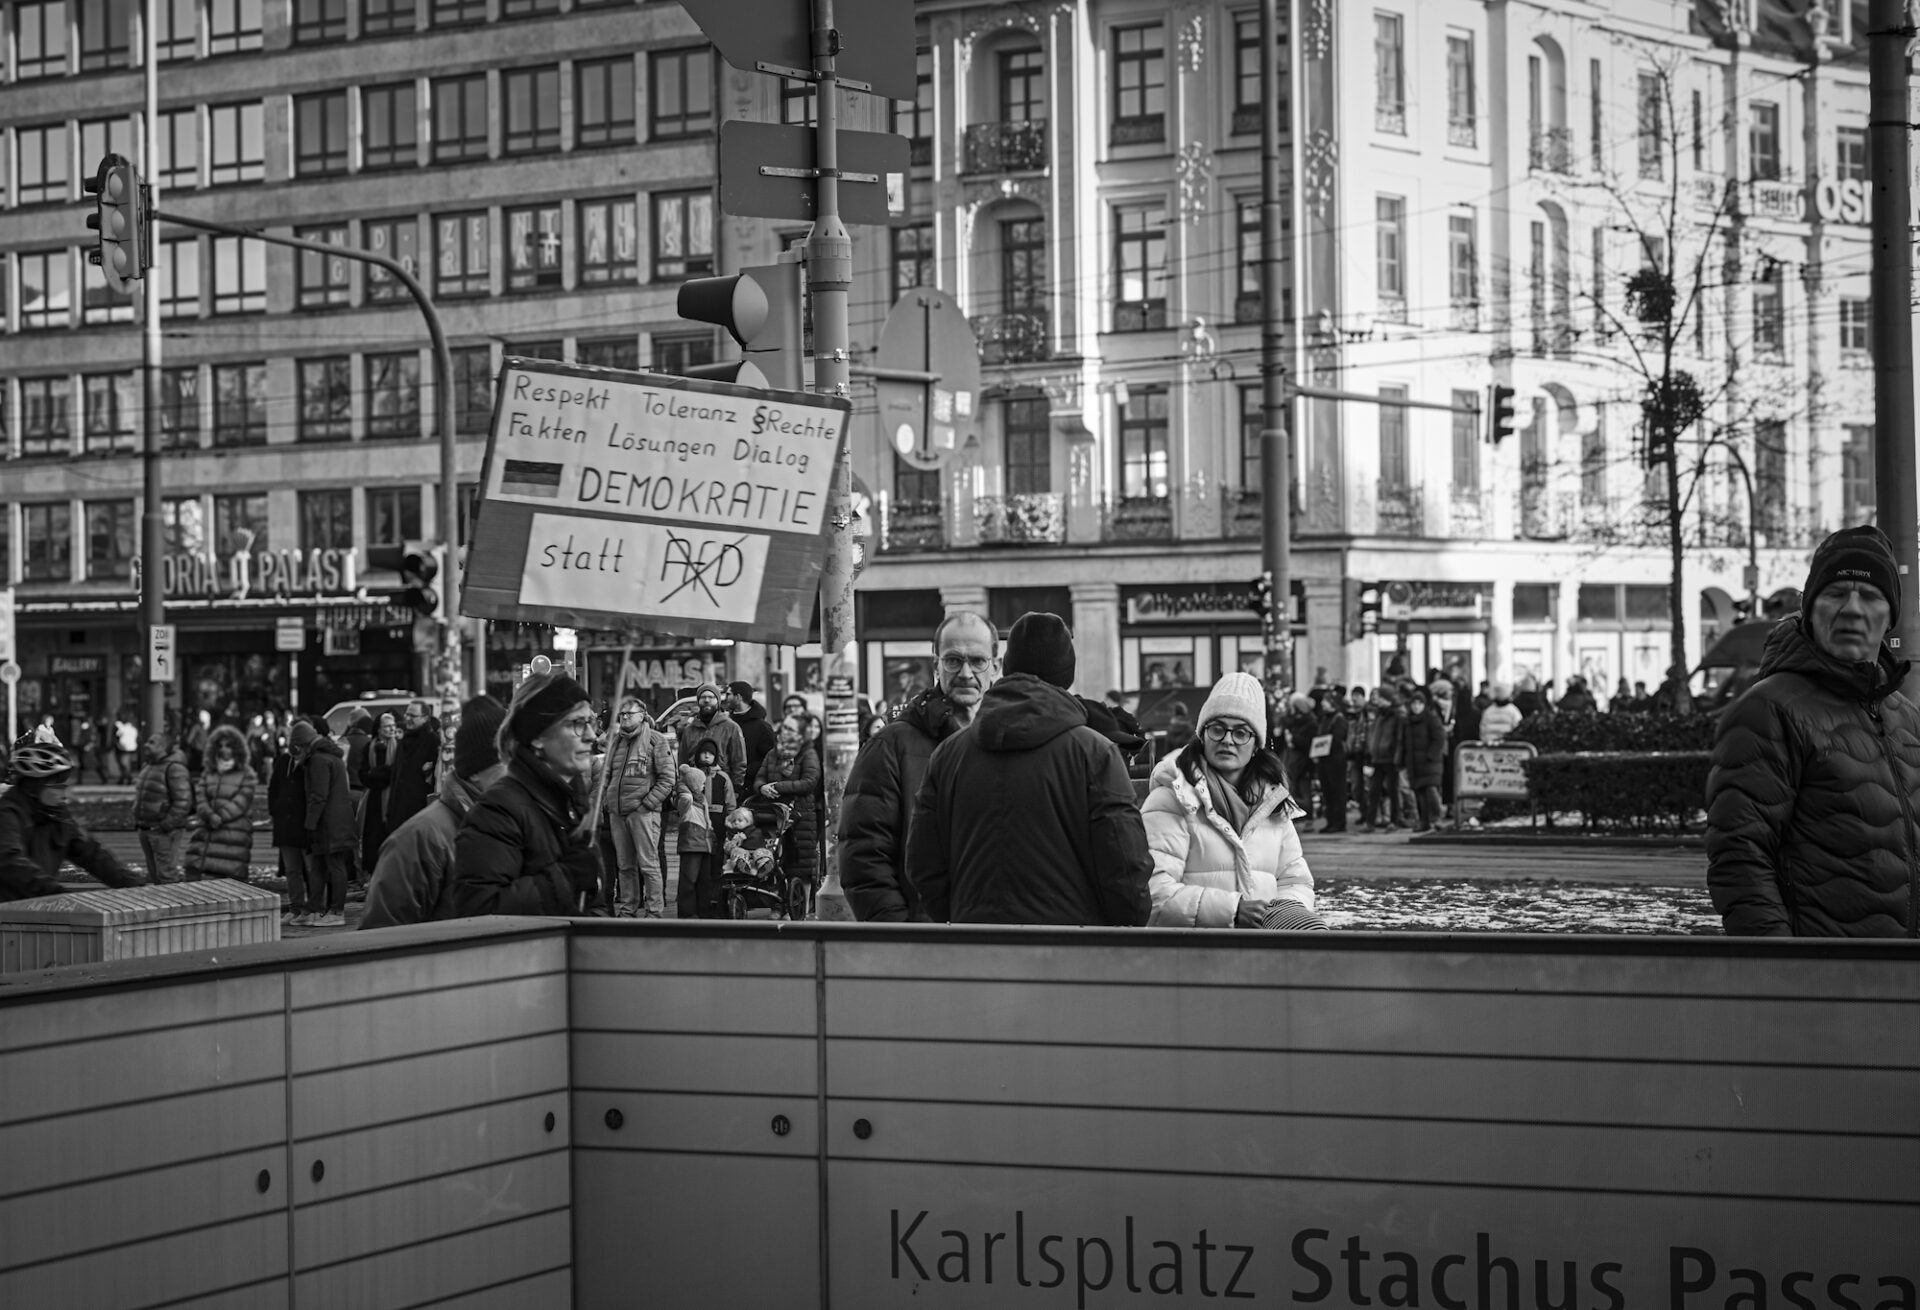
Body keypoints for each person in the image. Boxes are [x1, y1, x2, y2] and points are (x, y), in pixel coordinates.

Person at [1707, 525, 1920, 936]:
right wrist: (1785, 965)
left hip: (1899, 972)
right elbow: (1741, 855)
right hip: (1821, 970)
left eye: (1870, 596)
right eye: (1836, 593)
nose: (1852, 610)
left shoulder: (1907, 718)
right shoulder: (1767, 709)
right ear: (1809, 608)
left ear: (1890, 617)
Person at [908, 611, 1152, 926]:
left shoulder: (948, 754)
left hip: (974, 939)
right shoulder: (1095, 752)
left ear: (1007, 667)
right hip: (1071, 942)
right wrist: (1118, 927)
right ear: (1067, 674)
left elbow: (923, 864)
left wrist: (959, 912)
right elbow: (1125, 866)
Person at [841, 610, 997, 922]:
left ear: (996, 666)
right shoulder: (890, 745)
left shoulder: (1007, 741)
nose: (966, 673)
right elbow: (864, 856)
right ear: (935, 664)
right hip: (923, 936)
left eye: (978, 661)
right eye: (953, 660)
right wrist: (902, 931)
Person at [1141, 672, 1324, 930]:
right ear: (1202, 735)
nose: (1228, 740)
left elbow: (1296, 881)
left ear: (1256, 745)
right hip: (1193, 951)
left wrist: (1283, 916)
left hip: (1262, 949)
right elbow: (1153, 894)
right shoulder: (1171, 799)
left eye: (1240, 733)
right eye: (1217, 729)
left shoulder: (1273, 803)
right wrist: (1233, 911)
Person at [443, 672, 600, 918]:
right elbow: (481, 910)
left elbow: (594, 905)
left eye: (591, 721)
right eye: (576, 723)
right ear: (537, 737)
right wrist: (566, 877)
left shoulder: (574, 805)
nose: (591, 735)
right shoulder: (498, 811)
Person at [360, 696, 508, 930]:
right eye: (507, 762)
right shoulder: (417, 840)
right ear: (476, 771)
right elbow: (381, 937)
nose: (518, 771)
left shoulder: (516, 821)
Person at [0, 742, 143, 901]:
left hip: (35, 905)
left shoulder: (56, 815)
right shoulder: (8, 813)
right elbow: (9, 861)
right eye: (57, 786)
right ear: (34, 787)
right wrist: (57, 893)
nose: (63, 793)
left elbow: (91, 853)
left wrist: (135, 886)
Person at [598, 697, 676, 918]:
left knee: (648, 865)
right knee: (625, 866)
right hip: (617, 811)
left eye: (629, 714)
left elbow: (668, 779)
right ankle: (627, 910)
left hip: (643, 813)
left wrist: (648, 804)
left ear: (642, 716)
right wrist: (606, 802)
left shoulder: (655, 740)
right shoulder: (617, 742)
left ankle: (654, 912)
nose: (624, 718)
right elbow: (606, 776)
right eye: (622, 714)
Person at [290, 719, 354, 927]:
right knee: (319, 865)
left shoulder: (318, 760)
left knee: (333, 866)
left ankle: (336, 911)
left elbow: (318, 795)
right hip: (336, 821)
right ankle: (314, 909)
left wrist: (310, 823)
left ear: (302, 744)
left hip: (328, 823)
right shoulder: (330, 757)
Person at [754, 713, 822, 896]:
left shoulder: (808, 753)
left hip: (799, 815)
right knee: (776, 861)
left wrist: (778, 786)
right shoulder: (773, 753)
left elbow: (809, 782)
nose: (785, 732)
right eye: (785, 727)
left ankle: (802, 905)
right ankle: (778, 902)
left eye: (790, 729)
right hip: (773, 814)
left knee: (801, 866)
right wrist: (762, 788)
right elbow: (760, 777)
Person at [183, 725, 256, 882]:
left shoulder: (246, 774)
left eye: (228, 746)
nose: (224, 750)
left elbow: (241, 801)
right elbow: (200, 796)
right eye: (220, 746)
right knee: (194, 868)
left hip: (232, 834)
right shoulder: (209, 772)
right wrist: (209, 815)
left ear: (236, 749)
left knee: (227, 876)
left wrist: (220, 816)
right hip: (207, 830)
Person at [674, 738, 734, 918]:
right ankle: (688, 912)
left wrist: (730, 822)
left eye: (711, 753)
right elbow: (683, 799)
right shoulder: (689, 787)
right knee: (690, 877)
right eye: (703, 753)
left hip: (714, 832)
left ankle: (708, 909)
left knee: (710, 874)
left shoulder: (722, 778)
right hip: (696, 837)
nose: (707, 756)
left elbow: (730, 803)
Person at [131, 729, 193, 884]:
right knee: (156, 874)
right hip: (147, 827)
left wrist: (166, 825)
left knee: (166, 875)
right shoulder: (148, 766)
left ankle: (172, 900)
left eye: (152, 742)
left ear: (163, 747)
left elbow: (183, 801)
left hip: (162, 830)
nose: (146, 745)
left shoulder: (174, 768)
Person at [267, 728, 310, 924]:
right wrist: (275, 810)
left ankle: (312, 907)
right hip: (286, 824)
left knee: (311, 869)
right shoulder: (284, 761)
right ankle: (296, 907)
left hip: (305, 824)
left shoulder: (311, 762)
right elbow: (274, 788)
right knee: (292, 870)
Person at [678, 683, 747, 797]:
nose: (706, 700)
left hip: (721, 787)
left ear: (718, 701)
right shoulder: (689, 729)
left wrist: (735, 788)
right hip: (694, 789)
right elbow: (682, 760)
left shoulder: (731, 727)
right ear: (698, 701)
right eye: (703, 697)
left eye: (711, 697)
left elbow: (739, 761)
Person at [385, 701, 441, 830]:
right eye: (407, 715)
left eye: (413, 716)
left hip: (419, 812)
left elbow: (433, 780)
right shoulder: (404, 740)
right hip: (398, 811)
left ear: (425, 718)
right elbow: (396, 776)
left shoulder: (432, 741)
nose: (408, 718)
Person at [358, 713, 400, 876]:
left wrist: (375, 773)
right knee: (373, 840)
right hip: (373, 801)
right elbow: (364, 775)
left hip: (392, 800)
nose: (392, 729)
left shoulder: (399, 747)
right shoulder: (369, 747)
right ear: (379, 729)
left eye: (393, 725)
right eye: (387, 726)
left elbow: (395, 773)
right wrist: (380, 774)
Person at [1403, 685, 1448, 833]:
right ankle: (1424, 821)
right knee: (1419, 792)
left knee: (1430, 790)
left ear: (1424, 705)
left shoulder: (1431, 719)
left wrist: (1431, 755)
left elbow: (1439, 738)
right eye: (1414, 704)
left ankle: (1436, 819)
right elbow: (1405, 742)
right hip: (1415, 763)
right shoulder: (1408, 722)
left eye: (1419, 704)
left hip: (1430, 763)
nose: (1416, 707)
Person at [1360, 687, 1404, 831]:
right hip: (1378, 757)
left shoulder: (1396, 715)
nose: (1377, 700)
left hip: (1390, 758)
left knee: (1392, 790)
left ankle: (1394, 821)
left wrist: (1397, 756)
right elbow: (1375, 735)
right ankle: (1370, 822)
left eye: (1379, 697)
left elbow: (1399, 738)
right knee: (1374, 791)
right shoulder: (1380, 714)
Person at [727, 681, 778, 792]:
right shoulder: (726, 724)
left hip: (751, 788)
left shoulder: (762, 727)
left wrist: (746, 770)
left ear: (738, 697)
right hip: (727, 784)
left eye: (728, 694)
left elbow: (771, 758)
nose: (726, 698)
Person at [1311, 690, 1349, 832]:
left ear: (1332, 703)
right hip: (1324, 760)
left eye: (1325, 701)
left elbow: (1337, 739)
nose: (1322, 703)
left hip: (1336, 760)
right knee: (1327, 792)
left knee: (1337, 791)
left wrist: (1321, 747)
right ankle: (1330, 821)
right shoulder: (1324, 718)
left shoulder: (1339, 719)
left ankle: (1339, 822)